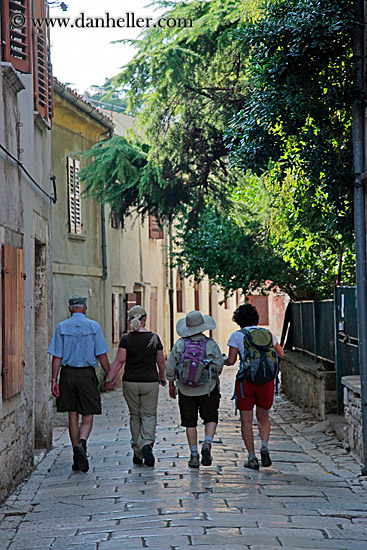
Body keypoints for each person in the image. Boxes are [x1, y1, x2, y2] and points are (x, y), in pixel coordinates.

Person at [48, 295, 110, 473]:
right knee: (88, 414)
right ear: (84, 308)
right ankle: (82, 443)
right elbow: (102, 355)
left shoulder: (61, 327)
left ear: (70, 309)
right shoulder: (94, 326)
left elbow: (57, 357)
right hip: (86, 375)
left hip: (67, 374)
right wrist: (110, 376)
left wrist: (54, 379)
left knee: (72, 414)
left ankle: (76, 454)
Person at [104, 305, 166, 467]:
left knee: (134, 416)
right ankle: (146, 444)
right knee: (149, 415)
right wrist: (162, 376)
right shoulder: (154, 338)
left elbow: (119, 361)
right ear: (145, 318)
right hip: (150, 382)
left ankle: (137, 453)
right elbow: (160, 360)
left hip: (130, 381)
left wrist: (109, 379)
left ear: (130, 319)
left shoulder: (126, 338)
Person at [224, 303, 284, 470]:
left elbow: (231, 360)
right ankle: (264, 445)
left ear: (238, 320)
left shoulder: (237, 335)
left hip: (246, 381)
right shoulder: (268, 333)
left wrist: (221, 360)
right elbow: (281, 353)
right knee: (263, 417)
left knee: (246, 421)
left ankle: (252, 457)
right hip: (266, 381)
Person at [166, 310, 224, 468]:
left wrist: (171, 384)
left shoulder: (180, 344)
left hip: (186, 390)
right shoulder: (210, 343)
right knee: (210, 418)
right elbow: (219, 365)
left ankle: (193, 455)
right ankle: (207, 442)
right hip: (208, 389)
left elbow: (170, 367)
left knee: (189, 422)